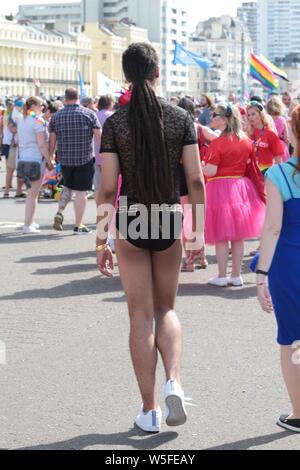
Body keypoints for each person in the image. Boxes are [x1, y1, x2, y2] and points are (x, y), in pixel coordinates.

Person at [96, 42, 205, 433]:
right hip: (167, 217)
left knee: (139, 315)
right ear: (158, 73)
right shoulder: (180, 118)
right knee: (166, 309)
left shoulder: (116, 123)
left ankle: (150, 409)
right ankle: (174, 379)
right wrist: (198, 233)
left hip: (132, 218)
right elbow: (194, 179)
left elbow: (108, 189)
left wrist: (99, 239)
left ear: (126, 76)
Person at [256, 104, 300, 433]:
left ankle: (299, 413)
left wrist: (260, 275)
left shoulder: (279, 174)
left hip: (289, 264)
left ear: (292, 133)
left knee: (292, 341)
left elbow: (272, 229)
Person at [202, 103, 265, 287]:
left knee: (221, 236)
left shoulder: (217, 143)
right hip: (241, 188)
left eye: (215, 115)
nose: (212, 117)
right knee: (238, 237)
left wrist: (200, 165)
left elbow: (211, 171)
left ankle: (222, 275)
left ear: (224, 119)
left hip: (220, 189)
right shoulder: (245, 140)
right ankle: (236, 275)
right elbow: (250, 167)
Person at [49, 88, 101, 234]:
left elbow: (52, 140)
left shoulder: (56, 116)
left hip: (65, 159)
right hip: (84, 158)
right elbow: (99, 135)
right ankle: (78, 225)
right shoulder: (89, 114)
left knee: (67, 187)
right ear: (78, 98)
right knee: (80, 193)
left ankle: (60, 211)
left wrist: (50, 157)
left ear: (65, 99)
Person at [177, 97, 218, 271]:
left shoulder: (175, 128)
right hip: (199, 175)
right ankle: (201, 256)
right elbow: (220, 141)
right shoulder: (201, 129)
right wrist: (208, 157)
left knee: (186, 219)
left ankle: (189, 260)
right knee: (197, 217)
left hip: (180, 175)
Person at [17, 96, 53, 234]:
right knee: (32, 194)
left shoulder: (23, 119)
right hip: (36, 161)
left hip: (23, 159)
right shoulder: (38, 121)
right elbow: (42, 145)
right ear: (34, 106)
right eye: (41, 106)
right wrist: (49, 162)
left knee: (31, 194)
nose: (42, 108)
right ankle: (27, 224)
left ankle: (30, 221)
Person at [247, 100, 284, 174]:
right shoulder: (248, 133)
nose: (250, 117)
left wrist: (277, 176)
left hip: (266, 171)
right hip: (250, 170)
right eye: (248, 115)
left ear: (260, 114)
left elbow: (278, 159)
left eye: (253, 114)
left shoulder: (270, 133)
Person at [267, 97, 290, 162]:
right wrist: (286, 148)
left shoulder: (267, 118)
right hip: (281, 146)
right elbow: (287, 138)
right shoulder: (282, 119)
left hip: (269, 145)